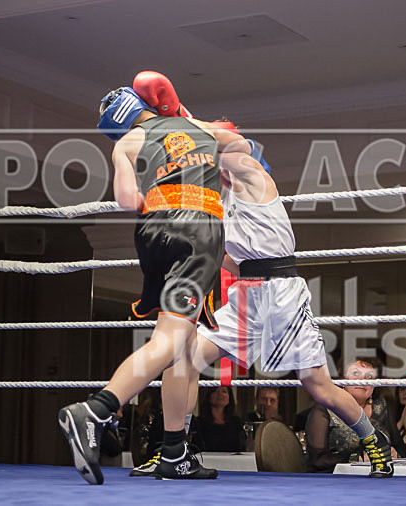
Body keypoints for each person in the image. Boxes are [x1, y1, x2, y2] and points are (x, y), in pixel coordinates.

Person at [134, 127, 394, 478]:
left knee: (318, 387)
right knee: (182, 359)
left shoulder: (255, 177)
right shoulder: (218, 200)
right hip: (246, 295)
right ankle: (174, 451)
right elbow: (230, 258)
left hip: (281, 293)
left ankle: (373, 439)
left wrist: (176, 124)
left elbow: (223, 148)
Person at [58, 72, 247, 484]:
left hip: (152, 235)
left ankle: (175, 452)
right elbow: (241, 145)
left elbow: (127, 200)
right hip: (197, 231)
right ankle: (96, 408)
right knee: (171, 340)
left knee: (183, 347)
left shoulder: (126, 144)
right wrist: (186, 119)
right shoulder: (196, 126)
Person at [304, 358, 399, 473]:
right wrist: (355, 458)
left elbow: (403, 449)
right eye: (355, 374)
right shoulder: (325, 408)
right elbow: (316, 460)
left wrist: (393, 452)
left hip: (380, 478)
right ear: (342, 379)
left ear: (374, 385)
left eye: (369, 377)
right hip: (335, 481)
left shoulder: (382, 407)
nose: (362, 380)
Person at [194, 387, 246, 452]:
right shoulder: (199, 422)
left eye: (224, 391)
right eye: (215, 391)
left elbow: (242, 447)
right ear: (209, 396)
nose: (220, 394)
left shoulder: (237, 422)